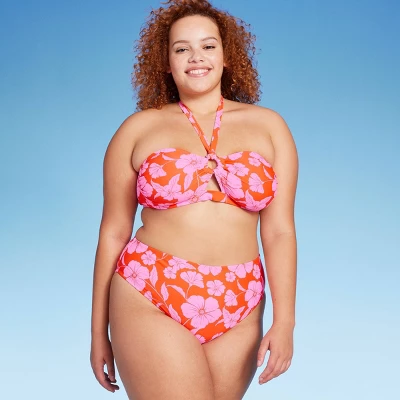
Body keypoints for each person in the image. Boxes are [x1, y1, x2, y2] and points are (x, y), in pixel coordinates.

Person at [90, 0, 298, 398]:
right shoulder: (138, 129)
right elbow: (113, 232)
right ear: (166, 62)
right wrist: (99, 332)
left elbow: (280, 232)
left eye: (208, 46)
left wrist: (285, 321)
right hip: (151, 290)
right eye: (181, 48)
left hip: (240, 302)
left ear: (226, 56)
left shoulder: (270, 127)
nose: (196, 57)